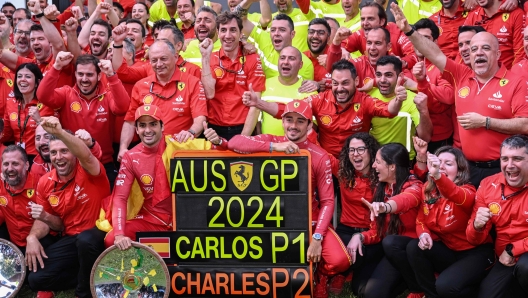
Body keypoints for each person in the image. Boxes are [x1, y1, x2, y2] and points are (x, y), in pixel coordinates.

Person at [208, 100, 351, 298]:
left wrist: (317, 238)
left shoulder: (320, 156)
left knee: (340, 261)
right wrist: (277, 147)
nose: (293, 126)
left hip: (309, 223)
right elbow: (235, 143)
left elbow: (328, 201)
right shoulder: (271, 141)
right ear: (282, 122)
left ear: (310, 125)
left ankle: (322, 274)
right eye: (289, 120)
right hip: (271, 224)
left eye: (300, 121)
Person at [391, 2, 528, 188]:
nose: (478, 53)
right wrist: (408, 30)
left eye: (485, 48)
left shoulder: (515, 82)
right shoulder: (461, 75)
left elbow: (525, 124)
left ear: (497, 54)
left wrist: (486, 122)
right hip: (466, 168)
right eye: (473, 50)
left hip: (501, 169)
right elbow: (433, 52)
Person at [243, 59, 406, 158]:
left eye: (345, 83)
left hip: (357, 160)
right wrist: (258, 103)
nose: (340, 88)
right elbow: (288, 110)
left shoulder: (366, 101)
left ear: (356, 82)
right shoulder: (319, 100)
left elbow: (390, 110)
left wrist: (398, 99)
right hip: (326, 159)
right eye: (335, 83)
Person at [25, 116, 110, 298]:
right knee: (35, 279)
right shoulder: (45, 182)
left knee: (86, 240)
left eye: (64, 151)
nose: (58, 157)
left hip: (99, 235)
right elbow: (46, 219)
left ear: (73, 152)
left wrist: (60, 132)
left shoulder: (88, 169)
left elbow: (86, 155)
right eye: (54, 152)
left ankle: (83, 292)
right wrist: (32, 236)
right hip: (73, 239)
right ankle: (91, 274)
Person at [407, 142, 495, 298]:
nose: (441, 167)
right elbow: (421, 219)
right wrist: (423, 234)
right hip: (451, 251)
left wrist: (438, 177)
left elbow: (454, 193)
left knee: (446, 286)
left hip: (476, 253)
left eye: (448, 164)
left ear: (460, 171)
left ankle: (476, 287)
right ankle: (429, 294)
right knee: (414, 247)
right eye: (438, 163)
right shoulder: (428, 189)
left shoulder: (468, 190)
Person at [36, 52, 130, 187]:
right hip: (73, 164)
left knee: (108, 206)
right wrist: (56, 66)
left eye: (90, 74)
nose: (84, 79)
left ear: (99, 76)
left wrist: (111, 75)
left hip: (103, 162)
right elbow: (43, 96)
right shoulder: (67, 93)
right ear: (75, 75)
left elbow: (123, 107)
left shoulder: (107, 96)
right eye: (80, 74)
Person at [348, 143, 423, 298]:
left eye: (378, 161)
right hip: (388, 247)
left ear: (392, 166)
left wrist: (386, 207)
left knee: (372, 294)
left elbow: (406, 200)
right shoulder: (381, 188)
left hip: (408, 251)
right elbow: (377, 231)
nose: (374, 165)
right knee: (359, 288)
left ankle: (417, 285)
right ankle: (402, 279)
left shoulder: (414, 185)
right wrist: (360, 236)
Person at [118, 40, 207, 161]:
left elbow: (200, 118)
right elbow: (130, 121)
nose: (159, 64)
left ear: (175, 57)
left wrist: (191, 132)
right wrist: (123, 148)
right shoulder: (140, 86)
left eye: (163, 59)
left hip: (180, 153)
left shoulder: (193, 82)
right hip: (150, 153)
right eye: (154, 60)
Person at [466, 134, 528, 297]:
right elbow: (474, 239)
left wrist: (514, 249)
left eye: (517, 159)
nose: (510, 165)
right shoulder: (487, 184)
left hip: (520, 254)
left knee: (525, 267)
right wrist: (476, 226)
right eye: (504, 159)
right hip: (503, 257)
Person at [108, 104, 173, 249]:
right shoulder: (130, 157)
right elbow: (120, 197)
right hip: (152, 220)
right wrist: (119, 234)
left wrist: (220, 141)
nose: (148, 130)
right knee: (111, 239)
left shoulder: (178, 145)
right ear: (136, 130)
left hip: (184, 218)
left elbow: (209, 149)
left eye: (153, 124)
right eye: (142, 125)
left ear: (162, 127)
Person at [328, 132, 381, 295]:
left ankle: (349, 269)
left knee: (360, 289)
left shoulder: (382, 174)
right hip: (346, 230)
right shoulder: (343, 172)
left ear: (371, 151)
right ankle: (340, 272)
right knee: (334, 257)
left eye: (360, 149)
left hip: (373, 232)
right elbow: (320, 154)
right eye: (351, 150)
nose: (355, 154)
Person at [200, 11, 265, 139]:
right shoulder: (210, 58)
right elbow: (209, 93)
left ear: (241, 34)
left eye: (233, 30)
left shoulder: (253, 59)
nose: (228, 35)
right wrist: (205, 57)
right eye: (223, 30)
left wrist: (243, 139)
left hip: (243, 127)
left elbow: (255, 105)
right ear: (218, 33)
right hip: (214, 128)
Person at [369, 56, 433, 159]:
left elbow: (425, 138)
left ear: (400, 76)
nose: (382, 80)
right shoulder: (368, 96)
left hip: (403, 161)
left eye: (388, 75)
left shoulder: (412, 99)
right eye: (378, 75)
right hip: (375, 161)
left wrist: (424, 111)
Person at [0, 145, 55, 253]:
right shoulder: (1, 185)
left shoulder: (41, 184)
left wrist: (32, 237)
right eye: (6, 164)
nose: (10, 168)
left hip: (42, 242)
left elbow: (51, 221)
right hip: (13, 247)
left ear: (26, 165)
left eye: (15, 164)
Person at [412, 18, 454, 154]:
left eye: (426, 38)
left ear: (435, 42)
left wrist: (417, 85)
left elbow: (448, 97)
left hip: (439, 139)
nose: (421, 43)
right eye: (417, 38)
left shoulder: (443, 66)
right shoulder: (409, 67)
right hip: (415, 136)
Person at [239, 9, 315, 80]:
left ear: (292, 34)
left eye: (282, 30)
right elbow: (239, 19)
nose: (276, 33)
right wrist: (248, 1)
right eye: (273, 30)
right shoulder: (266, 40)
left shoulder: (305, 64)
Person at [0, 63, 54, 163]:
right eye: (19, 76)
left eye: (28, 76)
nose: (22, 80)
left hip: (39, 156)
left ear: (37, 82)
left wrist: (39, 121)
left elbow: (54, 134)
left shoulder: (46, 104)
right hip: (17, 156)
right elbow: (6, 134)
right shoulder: (11, 103)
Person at [260, 46, 317, 136]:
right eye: (282, 58)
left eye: (291, 59)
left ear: (300, 65)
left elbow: (313, 127)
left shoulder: (309, 90)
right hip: (268, 147)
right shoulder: (264, 84)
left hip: (296, 148)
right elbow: (257, 120)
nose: (286, 62)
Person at [463, 0, 525, 69]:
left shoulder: (516, 14)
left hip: (507, 75)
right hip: (479, 75)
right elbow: (462, 51)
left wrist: (511, 77)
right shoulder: (473, 16)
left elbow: (520, 53)